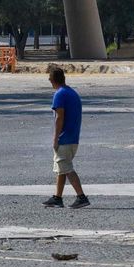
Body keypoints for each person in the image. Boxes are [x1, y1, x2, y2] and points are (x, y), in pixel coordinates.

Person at [43, 65, 90, 208]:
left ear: (52, 80)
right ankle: (58, 197)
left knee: (67, 168)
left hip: (65, 138)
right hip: (73, 137)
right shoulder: (71, 92)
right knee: (61, 168)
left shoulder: (59, 94)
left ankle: (81, 197)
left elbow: (59, 117)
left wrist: (55, 138)